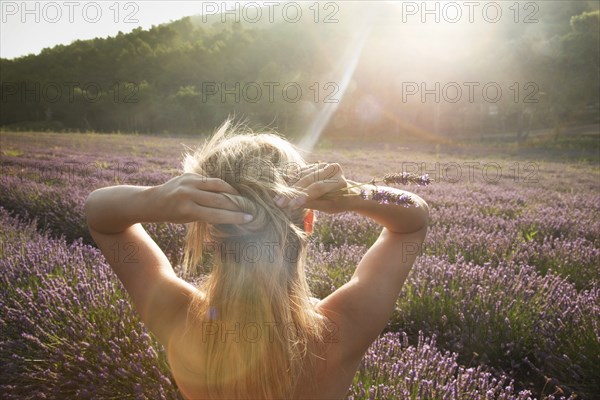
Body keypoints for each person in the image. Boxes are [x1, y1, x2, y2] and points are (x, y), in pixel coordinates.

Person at [84, 119, 429, 399]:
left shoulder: (177, 319)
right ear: (308, 220)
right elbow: (412, 223)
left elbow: (100, 216)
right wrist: (357, 194)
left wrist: (153, 200)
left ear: (206, 230)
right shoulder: (342, 330)